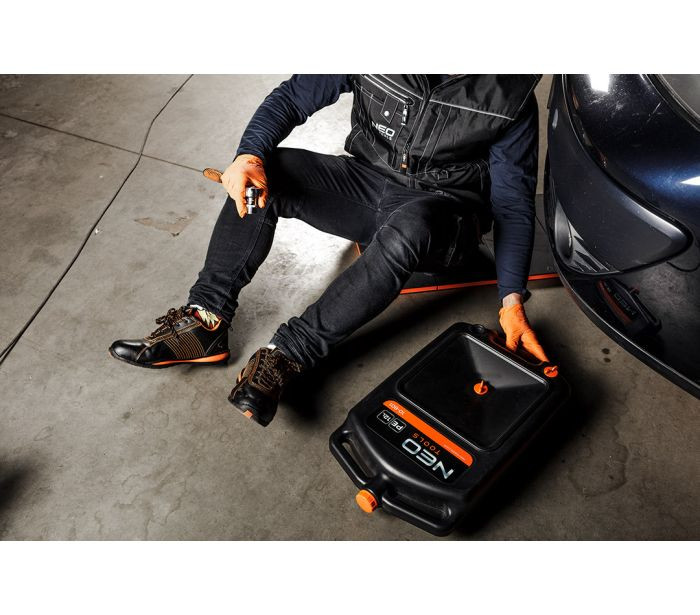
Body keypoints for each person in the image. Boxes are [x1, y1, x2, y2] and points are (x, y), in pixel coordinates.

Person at [110, 74, 550, 427]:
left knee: (413, 224)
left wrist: (511, 300)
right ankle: (206, 320)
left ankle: (287, 356)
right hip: (370, 186)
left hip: (444, 217)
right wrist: (249, 156)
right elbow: (292, 97)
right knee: (271, 170)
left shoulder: (510, 93)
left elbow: (512, 205)